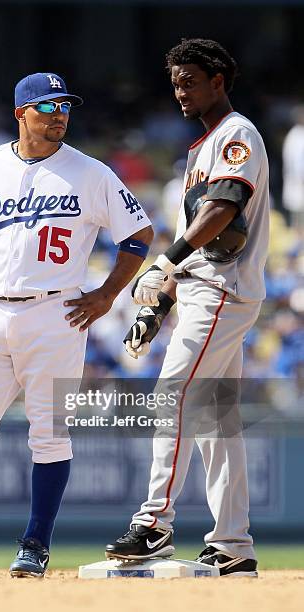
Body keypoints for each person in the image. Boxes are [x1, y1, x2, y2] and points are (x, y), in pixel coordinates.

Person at [0, 72, 153, 578]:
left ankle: (36, 546)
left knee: (50, 434)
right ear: (22, 113)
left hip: (57, 312)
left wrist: (107, 295)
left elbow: (139, 234)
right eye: (48, 106)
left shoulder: (90, 172)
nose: (60, 113)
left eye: (65, 105)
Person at [106, 39, 269, 577]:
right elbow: (193, 235)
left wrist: (166, 262)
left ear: (218, 81)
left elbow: (223, 208)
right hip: (203, 288)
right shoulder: (200, 149)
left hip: (223, 288)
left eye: (190, 81)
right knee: (219, 424)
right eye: (176, 82)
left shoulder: (235, 134)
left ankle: (154, 522)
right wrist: (159, 305)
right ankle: (232, 545)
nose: (180, 90)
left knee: (173, 394)